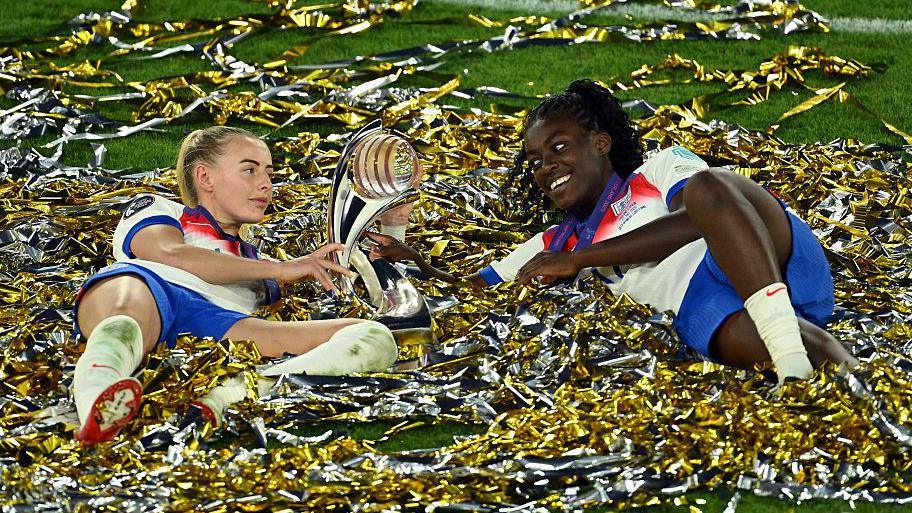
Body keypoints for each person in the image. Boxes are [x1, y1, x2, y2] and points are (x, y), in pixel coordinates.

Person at [368, 79, 857, 385]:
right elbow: (473, 294)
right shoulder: (552, 243)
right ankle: (802, 353)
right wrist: (412, 262)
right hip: (697, 303)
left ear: (601, 143)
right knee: (804, 359)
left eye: (559, 147)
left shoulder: (662, 168)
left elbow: (702, 217)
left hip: (765, 253)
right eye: (535, 162)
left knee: (711, 186)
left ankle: (782, 337)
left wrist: (583, 259)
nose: (545, 167)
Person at [73, 126, 398, 445]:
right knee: (128, 310)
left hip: (220, 325)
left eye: (269, 173)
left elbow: (388, 302)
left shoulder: (261, 263)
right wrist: (281, 269)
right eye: (249, 170)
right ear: (205, 177)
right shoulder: (160, 209)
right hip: (152, 290)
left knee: (373, 336)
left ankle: (228, 397)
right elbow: (169, 254)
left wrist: (394, 227)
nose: (265, 185)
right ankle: (99, 398)